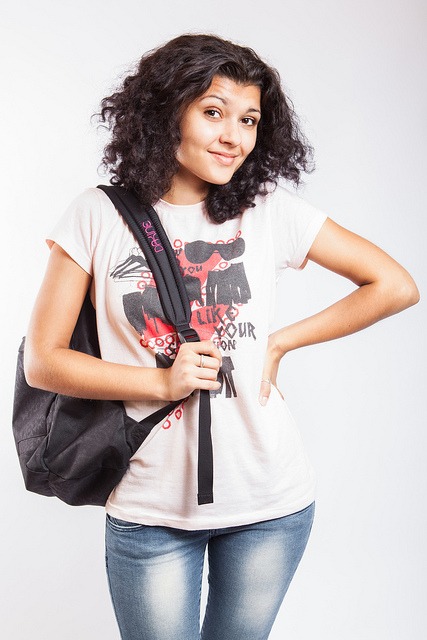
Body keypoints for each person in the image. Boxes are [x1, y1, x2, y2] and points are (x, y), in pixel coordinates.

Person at [24, 34, 419, 640]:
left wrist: (280, 343)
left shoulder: (267, 210)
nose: (234, 136)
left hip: (270, 501)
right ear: (165, 110)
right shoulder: (96, 215)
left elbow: (393, 284)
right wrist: (160, 380)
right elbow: (44, 363)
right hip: (149, 509)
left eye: (249, 119)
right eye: (213, 112)